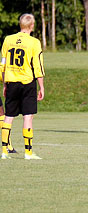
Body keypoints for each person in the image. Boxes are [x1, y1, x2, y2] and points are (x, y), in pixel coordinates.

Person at [1, 14, 45, 160]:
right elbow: (38, 66)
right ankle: (28, 152)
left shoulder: (8, 39)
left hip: (11, 82)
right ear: (32, 26)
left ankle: (4, 151)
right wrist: (41, 87)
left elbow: (3, 63)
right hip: (27, 83)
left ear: (20, 25)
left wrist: (4, 83)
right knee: (28, 117)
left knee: (8, 116)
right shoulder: (34, 42)